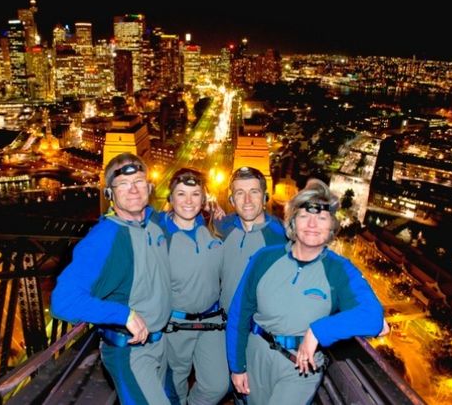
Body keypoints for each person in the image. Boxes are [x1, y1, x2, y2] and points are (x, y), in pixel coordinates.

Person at [226, 179, 384, 405]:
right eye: (304, 216)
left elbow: (373, 317)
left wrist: (318, 331)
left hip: (301, 367)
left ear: (331, 227)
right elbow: (239, 314)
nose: (312, 224)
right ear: (292, 221)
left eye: (322, 218)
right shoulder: (265, 258)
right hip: (256, 356)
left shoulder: (339, 270)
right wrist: (236, 365)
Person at [50, 152, 171, 405]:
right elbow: (63, 301)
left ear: (149, 187)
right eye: (123, 185)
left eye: (138, 181)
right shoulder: (103, 238)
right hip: (130, 354)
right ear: (109, 194)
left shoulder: (154, 224)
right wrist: (123, 314)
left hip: (161, 346)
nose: (133, 189)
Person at [159, 168, 229, 405]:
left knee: (217, 385)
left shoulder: (213, 229)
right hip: (176, 326)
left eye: (195, 194)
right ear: (170, 199)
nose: (188, 201)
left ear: (203, 199)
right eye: (181, 194)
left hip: (212, 321)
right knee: (174, 389)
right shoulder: (158, 235)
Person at [216, 166, 286, 312]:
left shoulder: (283, 237)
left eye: (254, 192)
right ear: (232, 200)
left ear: (265, 198)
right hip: (221, 328)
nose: (247, 200)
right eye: (240, 193)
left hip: (258, 331)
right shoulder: (221, 229)